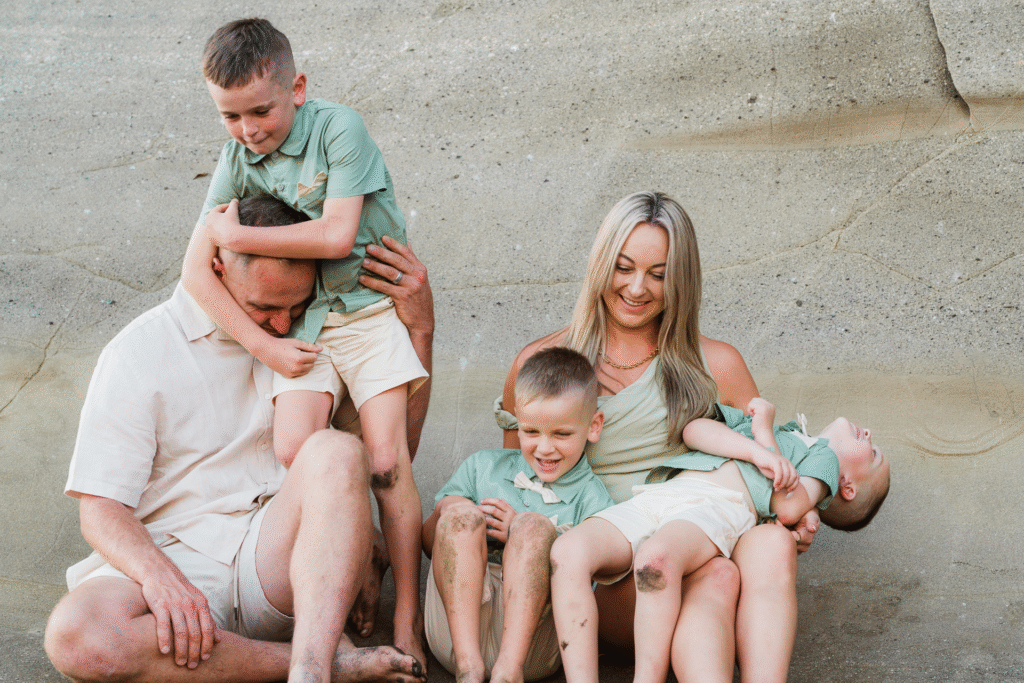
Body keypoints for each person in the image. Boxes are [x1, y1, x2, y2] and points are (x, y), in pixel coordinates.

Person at [43, 196, 433, 683]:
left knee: (336, 451)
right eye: (264, 307)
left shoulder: (320, 331)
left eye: (296, 304)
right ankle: (337, 662)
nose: (281, 324)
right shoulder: (139, 350)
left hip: (282, 561)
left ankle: (309, 672)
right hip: (174, 550)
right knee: (78, 637)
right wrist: (164, 583)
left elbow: (390, 460)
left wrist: (420, 329)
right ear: (216, 269)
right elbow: (100, 509)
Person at [179, 18, 427, 666]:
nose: (250, 130)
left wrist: (236, 237)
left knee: (386, 462)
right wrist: (264, 348)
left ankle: (405, 616)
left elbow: (337, 237)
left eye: (260, 110)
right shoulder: (239, 158)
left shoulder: (337, 128)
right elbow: (191, 272)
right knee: (296, 447)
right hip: (309, 319)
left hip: (371, 309)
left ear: (298, 87)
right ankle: (336, 592)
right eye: (231, 116)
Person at [498, 191, 820, 683]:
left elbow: (763, 468)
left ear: (682, 279)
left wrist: (801, 509)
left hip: (695, 551)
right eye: (622, 267)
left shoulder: (717, 364)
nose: (636, 288)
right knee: (704, 573)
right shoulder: (542, 366)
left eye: (659, 273)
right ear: (600, 264)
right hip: (601, 578)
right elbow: (513, 480)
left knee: (746, 557)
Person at [555, 397, 891, 683]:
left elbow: (788, 506)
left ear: (847, 487)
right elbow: (695, 431)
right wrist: (754, 445)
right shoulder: (786, 431)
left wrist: (763, 437)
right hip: (660, 495)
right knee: (567, 550)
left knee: (655, 560)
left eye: (873, 453)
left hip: (716, 509)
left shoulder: (822, 461)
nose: (869, 434)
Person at [422, 348, 615, 683]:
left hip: (534, 647)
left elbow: (591, 589)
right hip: (456, 631)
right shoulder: (483, 466)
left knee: (530, 527)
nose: (543, 448)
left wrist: (523, 535)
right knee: (459, 515)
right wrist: (466, 517)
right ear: (517, 423)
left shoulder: (593, 499)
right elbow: (430, 538)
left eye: (562, 434)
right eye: (531, 432)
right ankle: (469, 669)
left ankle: (508, 673)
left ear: (593, 425)